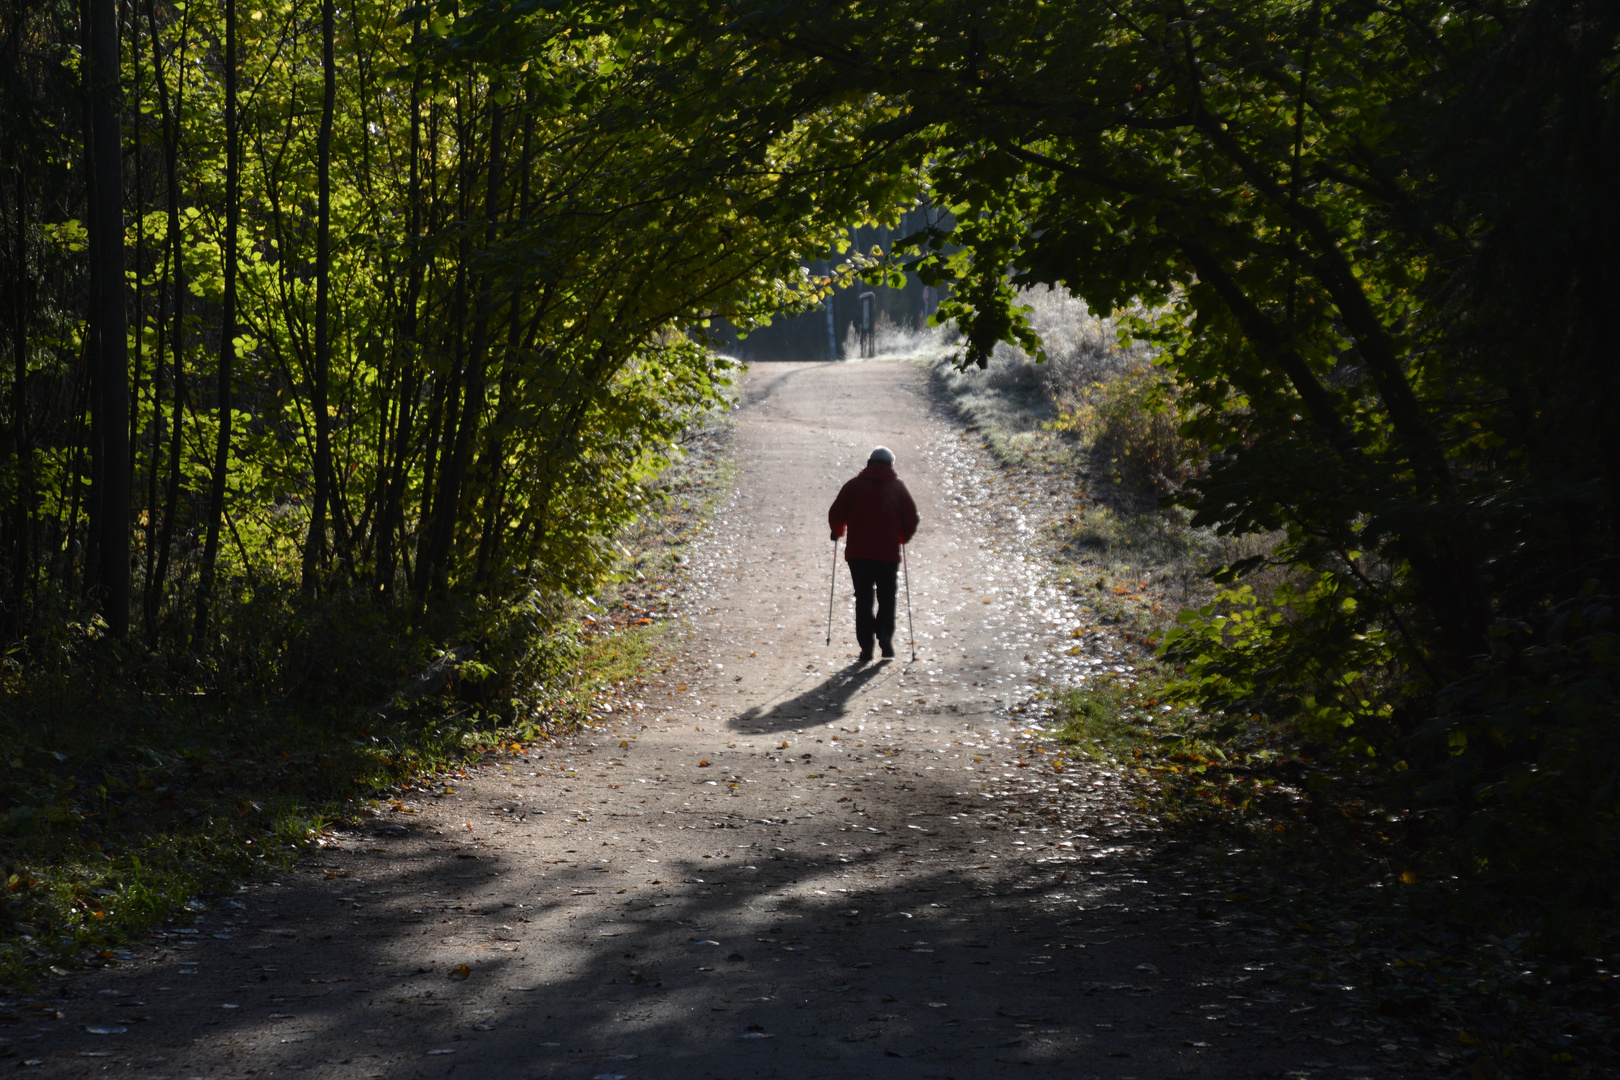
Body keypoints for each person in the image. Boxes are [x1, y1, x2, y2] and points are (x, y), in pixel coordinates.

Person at [828, 446, 920, 662]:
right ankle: (885, 636)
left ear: (869, 463)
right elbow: (912, 518)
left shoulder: (853, 485)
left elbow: (836, 513)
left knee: (863, 598)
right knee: (887, 597)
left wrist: (837, 531)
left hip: (858, 554)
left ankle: (866, 648)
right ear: (891, 465)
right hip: (887, 554)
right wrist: (902, 538)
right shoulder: (898, 487)